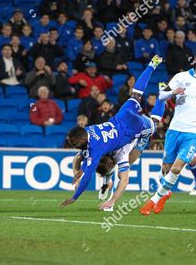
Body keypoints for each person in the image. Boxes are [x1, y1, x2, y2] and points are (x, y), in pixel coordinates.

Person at [59, 55, 165, 207]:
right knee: (136, 94)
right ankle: (152, 65)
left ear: (82, 140)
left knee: (154, 122)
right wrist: (79, 171)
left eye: (75, 143)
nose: (74, 145)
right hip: (122, 115)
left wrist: (75, 196)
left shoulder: (97, 149)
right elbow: (81, 158)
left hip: (134, 128)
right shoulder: (88, 130)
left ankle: (162, 96)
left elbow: (88, 173)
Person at [140, 48, 196, 215]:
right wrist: (173, 92)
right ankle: (165, 194)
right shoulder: (181, 77)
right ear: (195, 60)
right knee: (166, 168)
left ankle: (153, 200)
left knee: (177, 167)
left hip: (195, 132)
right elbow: (161, 96)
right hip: (175, 129)